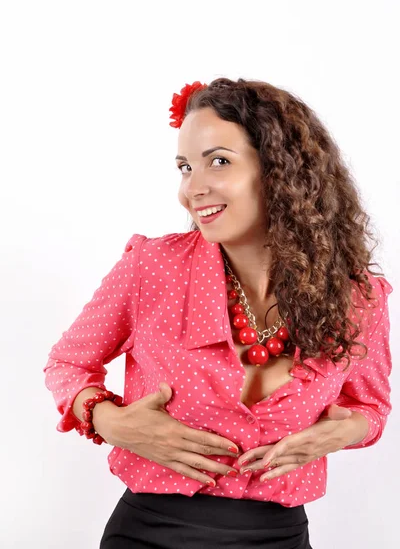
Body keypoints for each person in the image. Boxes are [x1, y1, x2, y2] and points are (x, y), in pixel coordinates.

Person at [43, 77, 393, 548]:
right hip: (150, 533)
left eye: (219, 162)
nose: (192, 189)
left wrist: (337, 434)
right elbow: (67, 364)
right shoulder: (154, 267)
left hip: (280, 537)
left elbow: (370, 407)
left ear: (279, 170)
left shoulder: (358, 298)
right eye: (185, 168)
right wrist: (109, 420)